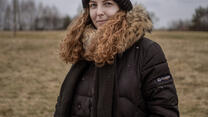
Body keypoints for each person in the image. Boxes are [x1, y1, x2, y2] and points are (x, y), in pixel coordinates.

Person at [54, 0, 180, 117]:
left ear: (122, 8)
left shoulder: (148, 52)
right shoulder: (84, 49)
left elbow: (165, 112)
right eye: (93, 5)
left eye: (107, 3)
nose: (99, 12)